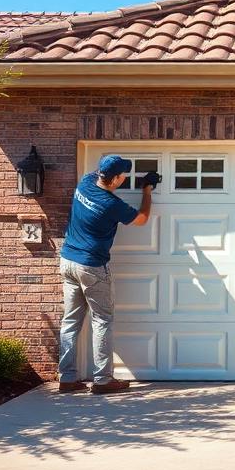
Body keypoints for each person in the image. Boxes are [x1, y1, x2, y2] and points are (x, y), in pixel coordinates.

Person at [57, 154, 161, 394]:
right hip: (92, 266)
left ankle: (67, 378)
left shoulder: (85, 182)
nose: (125, 179)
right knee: (101, 320)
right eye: (123, 176)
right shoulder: (111, 205)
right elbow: (142, 219)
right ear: (113, 178)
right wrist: (146, 190)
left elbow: (101, 178)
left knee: (71, 321)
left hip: (68, 260)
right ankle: (103, 380)